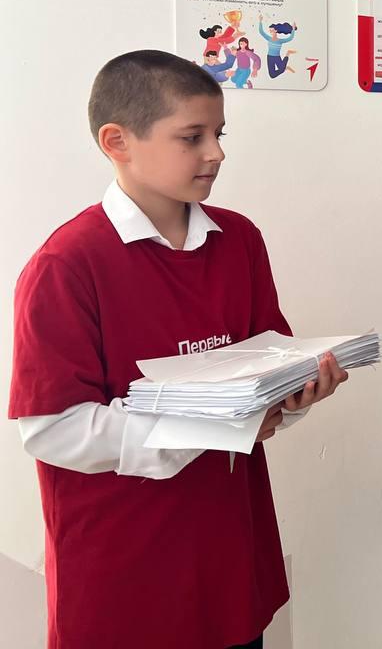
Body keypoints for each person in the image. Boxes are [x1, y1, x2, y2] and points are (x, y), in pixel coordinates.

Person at [8, 50, 349, 648]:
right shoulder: (68, 264)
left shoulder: (239, 240)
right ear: (117, 141)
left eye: (219, 134)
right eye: (192, 137)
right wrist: (207, 425)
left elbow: (265, 368)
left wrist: (293, 396)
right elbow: (52, 429)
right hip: (125, 565)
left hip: (226, 545)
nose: (216, 153)